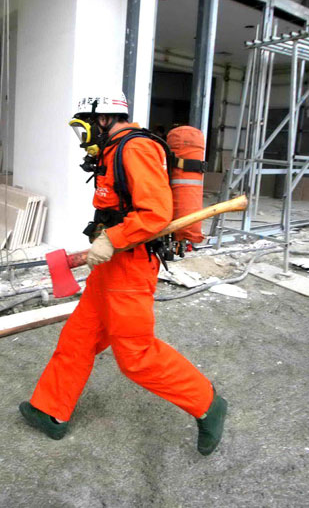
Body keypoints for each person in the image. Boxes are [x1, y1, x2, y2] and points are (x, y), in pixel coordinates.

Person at [19, 92, 227, 455]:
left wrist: (111, 239)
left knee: (136, 355)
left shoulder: (136, 148)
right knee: (79, 337)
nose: (83, 135)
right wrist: (103, 240)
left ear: (103, 119)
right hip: (110, 264)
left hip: (130, 268)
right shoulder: (113, 150)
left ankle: (207, 403)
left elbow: (155, 214)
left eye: (84, 125)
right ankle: (50, 409)